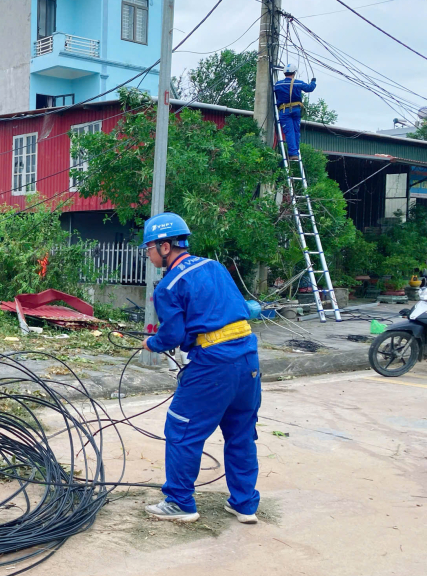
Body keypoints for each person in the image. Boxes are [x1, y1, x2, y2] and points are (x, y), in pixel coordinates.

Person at [139, 213, 261, 524]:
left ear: (165, 247)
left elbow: (173, 335)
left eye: (149, 247)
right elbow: (242, 309)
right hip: (248, 359)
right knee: (241, 434)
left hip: (213, 366)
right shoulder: (215, 267)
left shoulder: (169, 285)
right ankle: (245, 505)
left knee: (182, 430)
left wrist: (152, 343)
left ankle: (180, 503)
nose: (148, 253)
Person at [273, 63, 316, 161]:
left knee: (289, 132)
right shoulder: (298, 83)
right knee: (296, 131)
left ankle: (293, 153)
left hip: (284, 110)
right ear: (294, 73)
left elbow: (274, 94)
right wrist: (313, 82)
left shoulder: (278, 84)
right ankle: (295, 152)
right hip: (296, 110)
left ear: (284, 73)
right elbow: (310, 88)